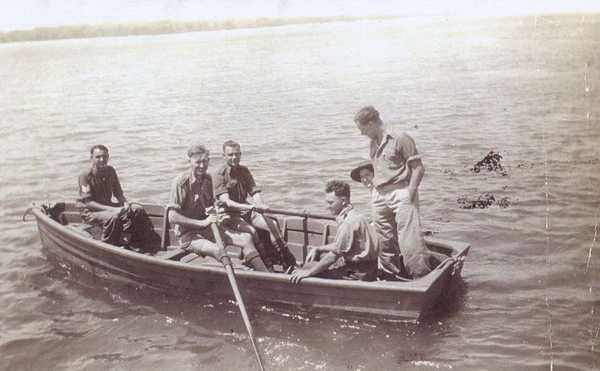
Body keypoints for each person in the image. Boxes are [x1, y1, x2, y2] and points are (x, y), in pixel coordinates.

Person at [354, 106, 444, 278]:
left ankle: (420, 276)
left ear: (371, 123)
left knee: (410, 240)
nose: (362, 134)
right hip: (380, 195)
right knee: (384, 240)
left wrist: (410, 194)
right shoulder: (373, 143)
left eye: (362, 129)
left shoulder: (401, 138)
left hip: (401, 192)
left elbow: (418, 169)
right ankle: (390, 276)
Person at [168, 144, 269, 271]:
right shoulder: (181, 183)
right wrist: (203, 223)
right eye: (197, 162)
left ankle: (265, 272)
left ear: (208, 161)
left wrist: (213, 212)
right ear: (189, 162)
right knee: (219, 250)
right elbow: (172, 217)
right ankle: (244, 274)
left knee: (246, 238)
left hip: (208, 228)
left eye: (204, 161)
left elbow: (211, 206)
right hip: (189, 235)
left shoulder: (209, 180)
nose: (201, 166)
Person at [213, 140, 296, 271]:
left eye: (237, 154)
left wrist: (260, 204)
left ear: (240, 154)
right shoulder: (219, 175)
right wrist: (251, 207)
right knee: (252, 232)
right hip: (228, 214)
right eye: (230, 155)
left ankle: (288, 262)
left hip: (246, 210)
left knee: (271, 224)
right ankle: (267, 265)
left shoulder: (244, 170)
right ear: (224, 156)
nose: (234, 157)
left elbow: (254, 191)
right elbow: (227, 202)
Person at [289, 180, 380, 284]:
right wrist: (318, 248)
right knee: (315, 262)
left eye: (331, 202)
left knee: (307, 268)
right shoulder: (355, 214)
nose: (327, 206)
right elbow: (340, 245)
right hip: (369, 268)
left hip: (358, 273)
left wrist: (308, 273)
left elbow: (333, 256)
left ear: (343, 200)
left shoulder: (348, 223)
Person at [77, 144, 158, 250]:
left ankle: (133, 241)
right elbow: (88, 202)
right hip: (90, 212)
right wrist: (113, 209)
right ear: (91, 158)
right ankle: (108, 247)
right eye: (98, 157)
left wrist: (125, 204)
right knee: (113, 217)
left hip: (107, 207)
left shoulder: (110, 171)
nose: (102, 160)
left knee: (137, 209)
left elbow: (118, 193)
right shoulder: (85, 175)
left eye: (105, 157)